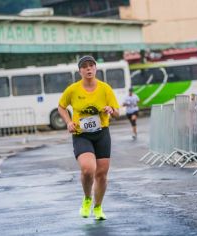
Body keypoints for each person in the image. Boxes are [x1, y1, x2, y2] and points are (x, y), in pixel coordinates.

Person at [58, 55, 119, 220]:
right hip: (81, 134)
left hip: (102, 133)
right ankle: (87, 198)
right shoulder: (73, 89)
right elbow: (61, 107)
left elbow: (118, 112)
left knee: (102, 174)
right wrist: (69, 121)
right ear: (80, 71)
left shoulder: (105, 88)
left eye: (91, 65)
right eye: (84, 66)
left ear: (95, 69)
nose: (88, 68)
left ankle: (98, 207)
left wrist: (111, 110)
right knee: (88, 169)